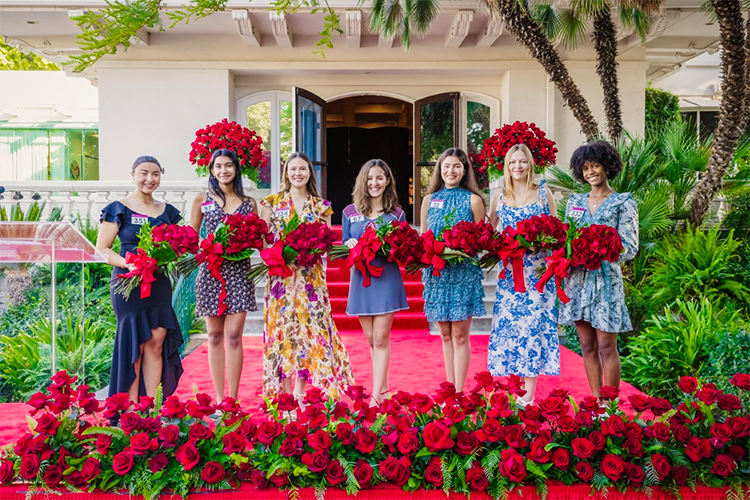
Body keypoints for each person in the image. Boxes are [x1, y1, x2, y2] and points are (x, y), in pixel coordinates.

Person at [260, 152, 354, 404]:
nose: (298, 173)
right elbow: (264, 242)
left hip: (310, 281)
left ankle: (301, 392)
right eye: (293, 169)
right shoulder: (271, 203)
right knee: (283, 332)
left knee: (308, 331)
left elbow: (325, 244)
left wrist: (308, 249)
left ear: (310, 173)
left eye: (303, 169)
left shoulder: (321, 206)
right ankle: (285, 393)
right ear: (286, 173)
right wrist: (280, 253)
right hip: (281, 279)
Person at [96, 155, 184, 403]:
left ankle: (150, 407)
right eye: (144, 173)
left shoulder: (168, 212)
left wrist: (175, 256)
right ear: (133, 174)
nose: (150, 179)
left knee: (156, 341)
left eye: (155, 174)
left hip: (158, 282)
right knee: (136, 342)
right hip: (128, 282)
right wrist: (127, 262)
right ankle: (131, 408)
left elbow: (176, 246)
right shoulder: (118, 208)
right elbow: (102, 249)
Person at [559, 140, 639, 401]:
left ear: (607, 167)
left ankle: (610, 405)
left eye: (595, 165)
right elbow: (568, 237)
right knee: (587, 345)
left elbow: (630, 246)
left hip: (606, 282)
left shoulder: (623, 202)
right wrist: (571, 250)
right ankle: (596, 402)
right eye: (585, 168)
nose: (590, 172)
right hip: (578, 280)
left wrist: (602, 249)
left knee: (607, 345)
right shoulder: (575, 201)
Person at [487, 144, 560, 407]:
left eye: (523, 162)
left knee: (532, 327)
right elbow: (491, 233)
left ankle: (529, 392)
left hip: (538, 273)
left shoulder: (543, 193)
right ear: (506, 166)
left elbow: (556, 232)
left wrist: (539, 244)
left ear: (531, 165)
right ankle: (514, 387)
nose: (518, 167)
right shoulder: (499, 196)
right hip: (509, 275)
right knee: (510, 328)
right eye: (513, 162)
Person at [189, 149, 258, 402]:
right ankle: (219, 398)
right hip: (210, 272)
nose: (223, 171)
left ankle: (233, 398)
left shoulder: (249, 203)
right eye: (218, 166)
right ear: (211, 170)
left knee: (233, 335)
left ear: (236, 169)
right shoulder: (201, 199)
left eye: (228, 165)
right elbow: (191, 237)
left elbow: (256, 238)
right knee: (214, 335)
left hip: (239, 272)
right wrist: (207, 247)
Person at [342, 159, 409, 406]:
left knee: (381, 339)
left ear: (387, 180)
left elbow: (403, 250)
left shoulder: (397, 214)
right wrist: (348, 245)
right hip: (361, 280)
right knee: (371, 339)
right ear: (363, 181)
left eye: (379, 178)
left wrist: (392, 247)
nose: (374, 183)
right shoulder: (349, 212)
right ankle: (385, 387)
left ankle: (375, 397)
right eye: (370, 178)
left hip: (387, 279)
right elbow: (344, 242)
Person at [420, 148, 486, 393]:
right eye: (446, 166)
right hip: (437, 274)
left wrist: (463, 247)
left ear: (464, 169)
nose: (451, 171)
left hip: (462, 274)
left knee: (459, 334)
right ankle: (450, 387)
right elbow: (425, 238)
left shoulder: (473, 200)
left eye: (457, 166)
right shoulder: (429, 200)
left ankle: (460, 390)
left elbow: (482, 239)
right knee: (445, 334)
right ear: (439, 169)